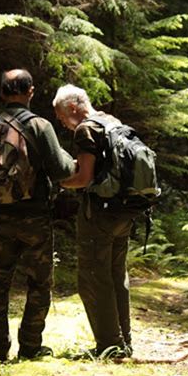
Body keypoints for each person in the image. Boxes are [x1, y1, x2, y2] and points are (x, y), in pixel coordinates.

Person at [0, 69, 75, 362]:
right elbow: (60, 170)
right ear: (30, 92)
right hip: (34, 217)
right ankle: (30, 346)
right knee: (39, 284)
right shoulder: (39, 126)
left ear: (2, 92)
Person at [53, 84, 136, 358]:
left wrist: (60, 183)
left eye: (62, 116)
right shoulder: (112, 122)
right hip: (124, 211)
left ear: (73, 108)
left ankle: (110, 346)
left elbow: (84, 178)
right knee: (115, 275)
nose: (62, 123)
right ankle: (123, 341)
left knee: (92, 278)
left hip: (99, 213)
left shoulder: (85, 129)